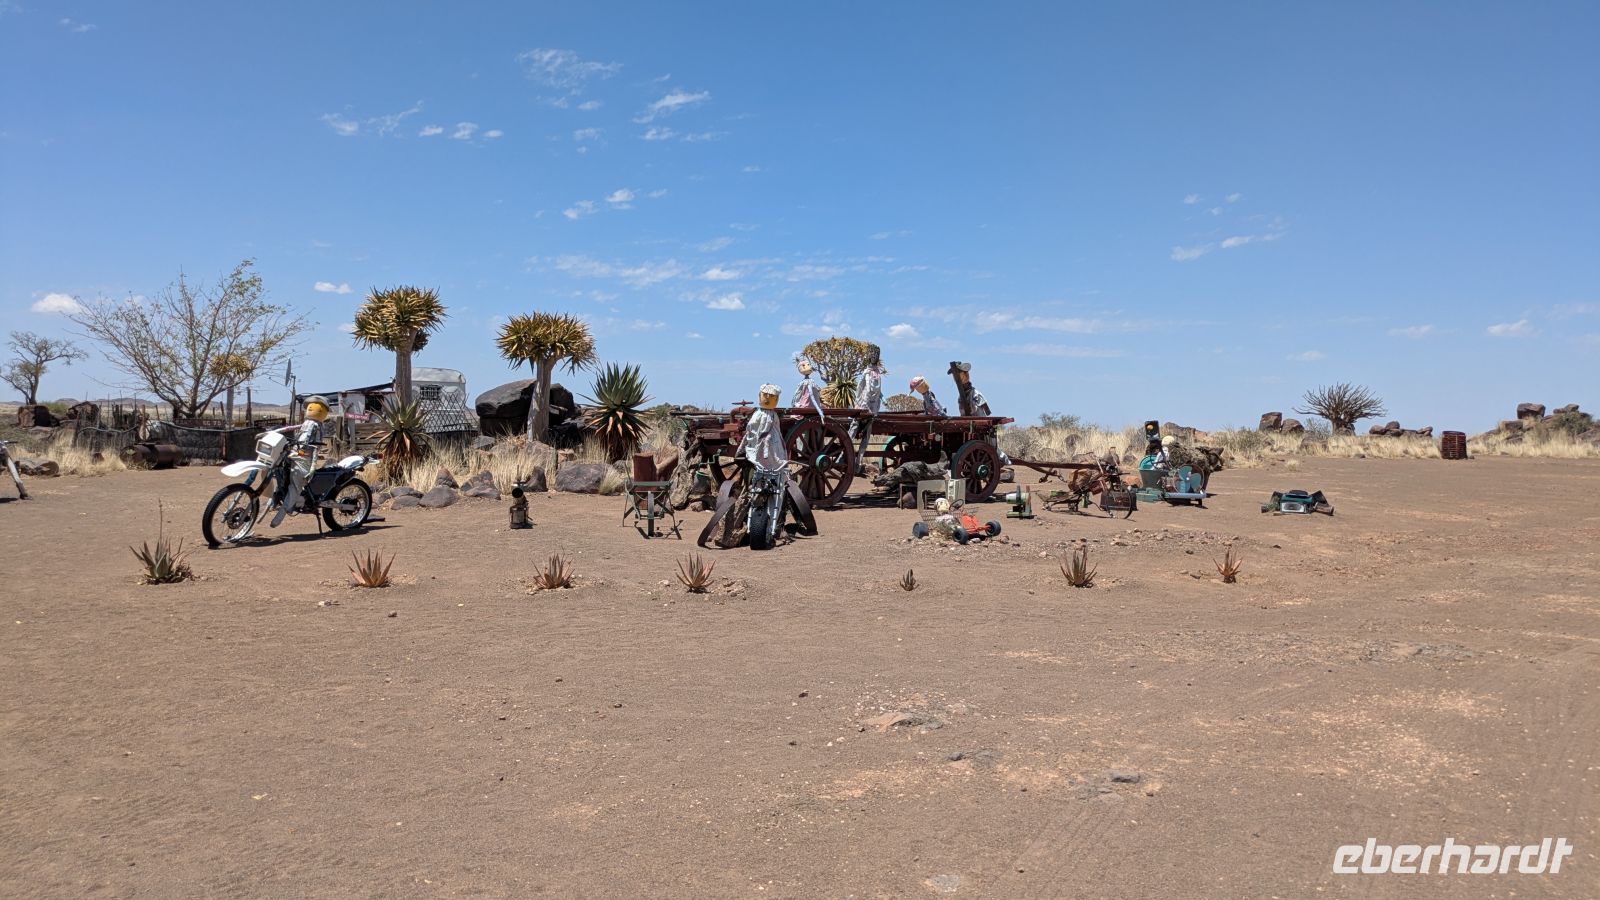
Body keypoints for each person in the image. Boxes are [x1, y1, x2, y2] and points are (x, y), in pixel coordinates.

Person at [268, 395, 331, 525]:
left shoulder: (318, 427)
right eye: (311, 407)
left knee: (296, 483)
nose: (312, 409)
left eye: (317, 408)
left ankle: (282, 513)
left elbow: (315, 447)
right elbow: (292, 428)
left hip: (304, 458)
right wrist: (273, 432)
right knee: (279, 472)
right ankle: (276, 499)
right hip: (294, 453)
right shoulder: (307, 423)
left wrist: (312, 466)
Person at [852, 349, 888, 475]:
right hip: (864, 404)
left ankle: (858, 462)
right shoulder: (867, 372)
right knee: (853, 431)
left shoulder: (877, 372)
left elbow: (878, 390)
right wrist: (864, 403)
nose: (874, 357)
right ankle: (845, 457)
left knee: (867, 436)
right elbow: (865, 387)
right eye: (872, 355)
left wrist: (883, 399)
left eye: (876, 355)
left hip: (874, 406)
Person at [790, 354, 826, 420]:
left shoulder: (808, 382)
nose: (808, 367)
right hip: (809, 403)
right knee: (806, 397)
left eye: (808, 365)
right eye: (804, 365)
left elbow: (799, 392)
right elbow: (799, 392)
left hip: (813, 403)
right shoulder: (805, 382)